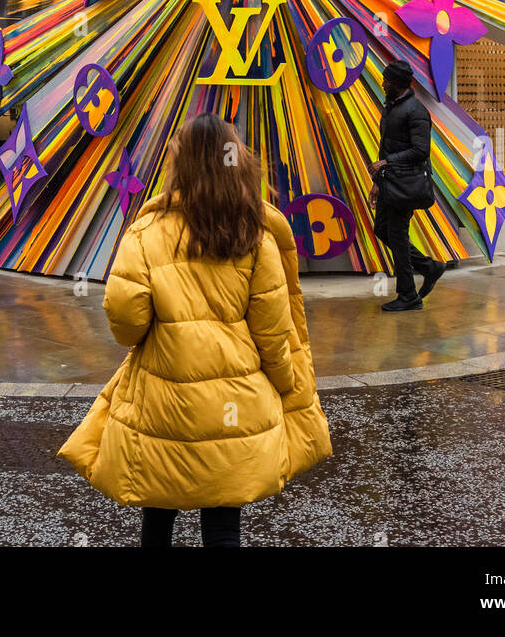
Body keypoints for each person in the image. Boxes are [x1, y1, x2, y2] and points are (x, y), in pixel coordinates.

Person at [58, 112, 332, 547]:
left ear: (180, 164)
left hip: (162, 402)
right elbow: (273, 332)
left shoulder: (146, 232)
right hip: (235, 405)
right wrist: (284, 384)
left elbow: (126, 326)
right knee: (223, 523)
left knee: (158, 512)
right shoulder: (254, 234)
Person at [368, 59, 445, 311]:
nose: (383, 82)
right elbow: (386, 145)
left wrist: (386, 162)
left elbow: (421, 151)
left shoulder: (416, 111)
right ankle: (428, 267)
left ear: (396, 84)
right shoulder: (390, 107)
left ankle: (408, 295)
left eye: (386, 80)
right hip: (390, 183)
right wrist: (378, 181)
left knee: (398, 236)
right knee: (382, 230)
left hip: (406, 185)